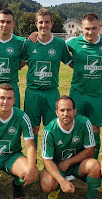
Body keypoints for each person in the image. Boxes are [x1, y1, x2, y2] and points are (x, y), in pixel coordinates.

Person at [65, 12, 102, 158]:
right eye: (87, 28)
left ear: (99, 27)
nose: (90, 32)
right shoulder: (73, 42)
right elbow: (54, 45)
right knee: (74, 127)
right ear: (82, 27)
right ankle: (74, 162)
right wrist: (35, 35)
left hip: (97, 95)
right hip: (77, 93)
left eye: (94, 28)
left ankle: (93, 162)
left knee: (95, 129)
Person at [22, 8, 72, 149]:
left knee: (53, 128)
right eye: (41, 22)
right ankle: (33, 162)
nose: (44, 25)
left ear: (52, 23)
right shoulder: (28, 43)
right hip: (33, 92)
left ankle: (50, 160)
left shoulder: (60, 44)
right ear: (36, 24)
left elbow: (72, 62)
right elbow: (20, 63)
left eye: (47, 22)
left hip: (51, 92)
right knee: (33, 129)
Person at [40, 95, 101, 199]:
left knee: (94, 166)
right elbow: (47, 161)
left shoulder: (85, 123)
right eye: (62, 110)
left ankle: (91, 197)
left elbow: (90, 151)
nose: (65, 114)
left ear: (74, 111)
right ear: (56, 113)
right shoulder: (49, 130)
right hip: (57, 165)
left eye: (69, 110)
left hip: (77, 164)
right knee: (46, 185)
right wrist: (62, 181)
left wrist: (68, 162)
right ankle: (59, 185)